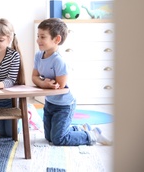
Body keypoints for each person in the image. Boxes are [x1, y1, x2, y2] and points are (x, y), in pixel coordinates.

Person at [32, 18, 112, 146]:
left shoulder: (59, 61)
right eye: (38, 36)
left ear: (57, 39)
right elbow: (34, 77)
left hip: (64, 104)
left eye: (42, 37)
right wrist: (43, 83)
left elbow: (60, 85)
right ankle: (81, 129)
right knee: (49, 137)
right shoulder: (38, 56)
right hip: (50, 102)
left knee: (58, 139)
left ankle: (92, 135)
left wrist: (43, 82)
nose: (38, 40)